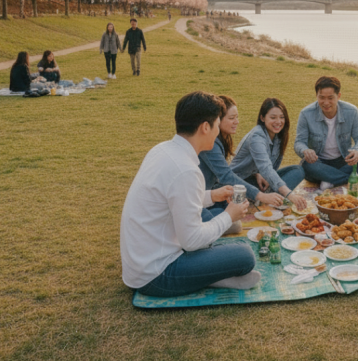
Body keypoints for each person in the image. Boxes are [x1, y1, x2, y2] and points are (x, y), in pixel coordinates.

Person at [120, 91, 259, 297]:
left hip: (142, 263)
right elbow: (192, 241)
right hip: (157, 276)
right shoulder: (186, 170)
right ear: (205, 127)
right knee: (245, 256)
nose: (217, 132)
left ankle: (206, 273)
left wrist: (212, 196)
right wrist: (229, 215)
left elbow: (174, 199)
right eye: (217, 124)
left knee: (206, 217)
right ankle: (211, 278)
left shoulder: (163, 149)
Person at [199, 95, 286, 221]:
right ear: (217, 119)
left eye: (237, 117)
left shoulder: (222, 139)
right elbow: (226, 175)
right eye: (231, 118)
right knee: (225, 214)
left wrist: (256, 174)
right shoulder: (210, 144)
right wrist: (260, 196)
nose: (237, 122)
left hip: (214, 193)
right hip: (204, 197)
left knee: (296, 170)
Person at [295, 76, 358, 190]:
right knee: (305, 165)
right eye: (321, 97)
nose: (326, 102)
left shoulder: (351, 111)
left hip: (344, 161)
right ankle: (357, 178)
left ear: (339, 96)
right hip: (319, 163)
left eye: (330, 98)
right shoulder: (306, 114)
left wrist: (357, 150)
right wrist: (305, 150)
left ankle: (330, 180)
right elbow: (299, 142)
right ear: (316, 96)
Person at [230, 98, 308, 211]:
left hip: (258, 181)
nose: (278, 121)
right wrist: (290, 195)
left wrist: (258, 174)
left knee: (298, 170)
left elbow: (269, 170)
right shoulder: (256, 136)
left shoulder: (278, 136)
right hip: (240, 183)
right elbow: (266, 168)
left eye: (282, 117)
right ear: (262, 118)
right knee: (280, 183)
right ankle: (264, 198)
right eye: (273, 117)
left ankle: (266, 198)